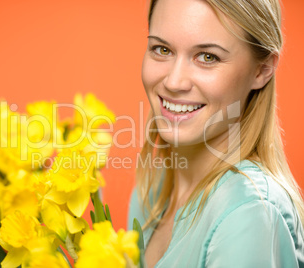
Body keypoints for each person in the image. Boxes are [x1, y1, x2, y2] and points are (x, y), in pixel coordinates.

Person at [127, 0, 304, 267]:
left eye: (208, 57)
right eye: (162, 49)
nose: (174, 82)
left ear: (262, 69)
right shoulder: (150, 192)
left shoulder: (250, 211)